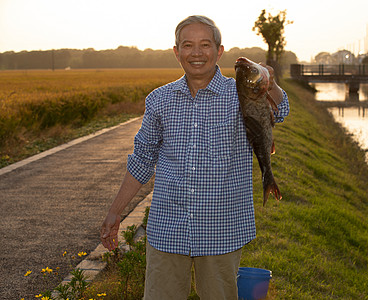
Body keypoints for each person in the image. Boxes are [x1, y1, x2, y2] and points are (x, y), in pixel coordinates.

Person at [100, 15, 289, 299]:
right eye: (188, 45)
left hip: (222, 229)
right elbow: (141, 159)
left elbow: (281, 111)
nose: (197, 53)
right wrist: (115, 211)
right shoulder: (159, 99)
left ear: (219, 51)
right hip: (167, 228)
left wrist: (269, 82)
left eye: (205, 45)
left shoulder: (240, 93)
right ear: (177, 52)